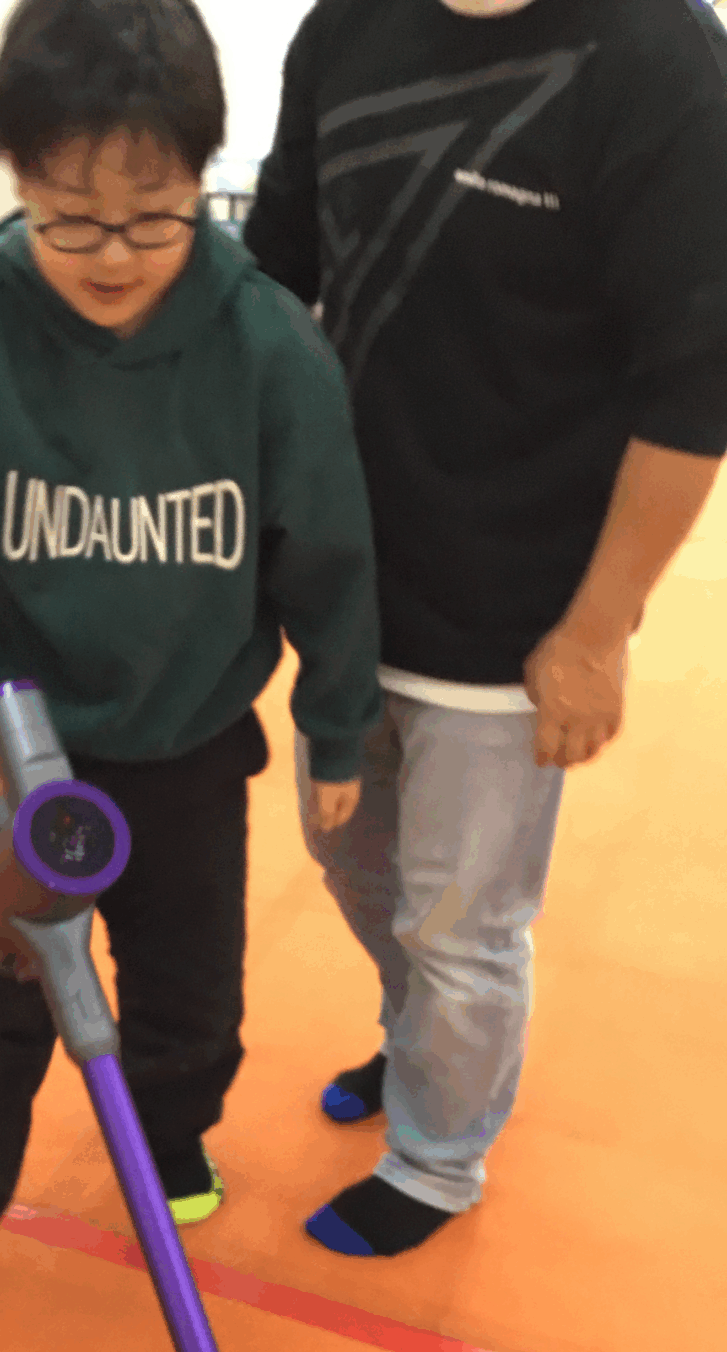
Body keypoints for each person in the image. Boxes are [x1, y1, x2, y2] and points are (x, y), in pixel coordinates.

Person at [0, 0, 383, 1349]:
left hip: (187, 747)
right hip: (18, 761)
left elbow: (328, 561)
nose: (114, 256)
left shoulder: (266, 346)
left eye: (153, 219)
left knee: (191, 999)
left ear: (202, 177)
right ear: (18, 179)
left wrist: (336, 730)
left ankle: (172, 1134)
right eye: (71, 221)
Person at [243, 0, 727, 1258]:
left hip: (515, 605)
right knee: (349, 859)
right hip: (348, 580)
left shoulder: (657, 58)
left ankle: (435, 1157)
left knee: (460, 921)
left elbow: (693, 389)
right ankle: (423, 1046)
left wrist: (594, 633)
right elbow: (270, 277)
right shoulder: (343, 29)